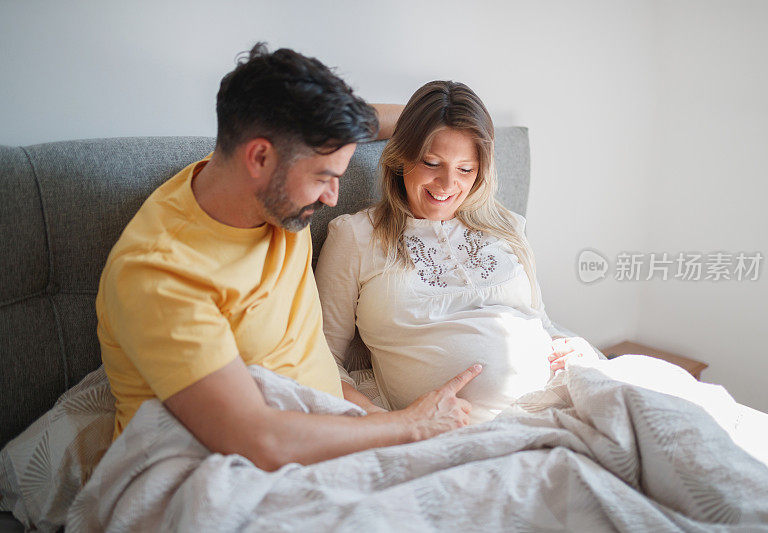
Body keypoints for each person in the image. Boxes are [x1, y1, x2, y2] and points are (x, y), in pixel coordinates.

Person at [96, 44, 484, 473]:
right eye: (323, 177)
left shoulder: (262, 167)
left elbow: (404, 121)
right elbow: (256, 440)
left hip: (326, 430)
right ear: (259, 158)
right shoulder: (160, 272)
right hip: (219, 467)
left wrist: (452, 136)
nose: (332, 197)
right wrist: (409, 425)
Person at [316, 80, 597, 423]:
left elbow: (543, 323)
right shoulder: (355, 236)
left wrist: (577, 351)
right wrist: (380, 419)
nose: (448, 185)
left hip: (558, 402)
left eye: (465, 169)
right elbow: (320, 357)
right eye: (432, 163)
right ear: (402, 157)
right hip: (454, 430)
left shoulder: (509, 227)